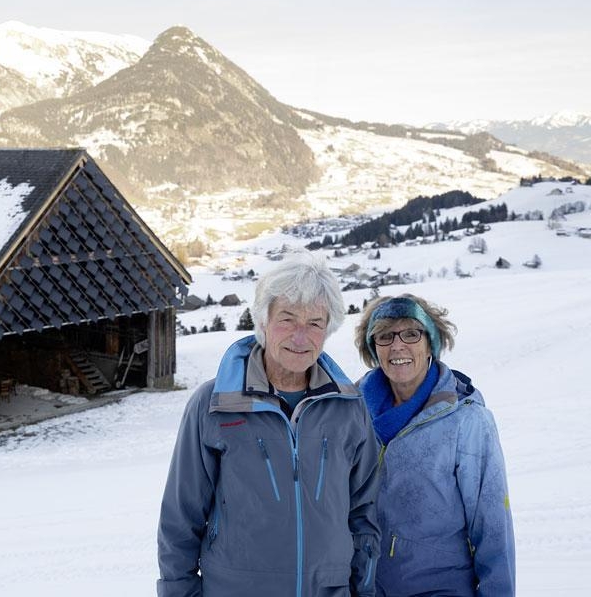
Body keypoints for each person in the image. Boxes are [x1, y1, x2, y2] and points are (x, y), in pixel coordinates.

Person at [157, 250, 380, 596]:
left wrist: (362, 587)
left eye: (315, 323)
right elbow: (180, 519)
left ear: (328, 329)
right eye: (288, 319)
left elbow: (364, 512)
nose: (301, 337)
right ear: (263, 322)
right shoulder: (214, 404)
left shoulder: (349, 408)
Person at [355, 294, 515, 596]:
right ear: (373, 348)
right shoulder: (350, 413)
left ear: (431, 342)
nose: (397, 345)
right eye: (385, 336)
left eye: (411, 333)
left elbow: (494, 529)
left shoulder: (466, 421)